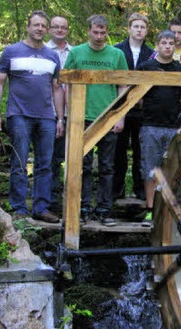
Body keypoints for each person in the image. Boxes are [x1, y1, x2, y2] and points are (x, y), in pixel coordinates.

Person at [0, 10, 64, 223]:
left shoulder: (52, 56)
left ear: (47, 29)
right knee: (19, 161)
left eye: (43, 25)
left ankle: (41, 208)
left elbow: (57, 88)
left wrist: (60, 118)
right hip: (19, 114)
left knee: (45, 163)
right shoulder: (11, 51)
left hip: (46, 117)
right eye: (36, 25)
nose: (39, 28)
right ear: (28, 27)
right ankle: (20, 209)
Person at [64, 14, 128, 226]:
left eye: (103, 32)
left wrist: (120, 116)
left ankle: (104, 210)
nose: (99, 36)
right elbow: (67, 83)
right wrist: (68, 114)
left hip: (108, 117)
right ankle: (82, 209)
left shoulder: (117, 54)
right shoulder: (76, 52)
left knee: (107, 167)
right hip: (82, 117)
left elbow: (124, 86)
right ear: (89, 31)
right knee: (82, 165)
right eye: (95, 32)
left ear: (107, 32)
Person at [136, 30, 181, 227]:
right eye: (164, 42)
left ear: (175, 46)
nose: (167, 46)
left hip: (173, 126)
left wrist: (176, 112)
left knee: (173, 169)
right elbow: (137, 97)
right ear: (157, 45)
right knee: (149, 168)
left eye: (171, 43)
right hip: (150, 125)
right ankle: (150, 210)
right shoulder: (145, 67)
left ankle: (169, 210)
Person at [113, 13, 154, 201]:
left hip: (143, 110)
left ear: (146, 31)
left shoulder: (151, 53)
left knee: (141, 152)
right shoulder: (116, 50)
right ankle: (116, 191)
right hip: (119, 108)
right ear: (129, 28)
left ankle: (140, 191)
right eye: (136, 26)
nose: (139, 30)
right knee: (118, 152)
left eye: (142, 27)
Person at [45, 15, 72, 214]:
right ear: (49, 29)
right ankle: (49, 199)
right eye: (56, 27)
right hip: (49, 112)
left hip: (74, 112)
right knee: (50, 158)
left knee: (71, 157)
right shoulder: (43, 51)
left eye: (63, 27)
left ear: (67, 30)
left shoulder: (75, 52)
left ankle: (71, 200)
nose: (59, 30)